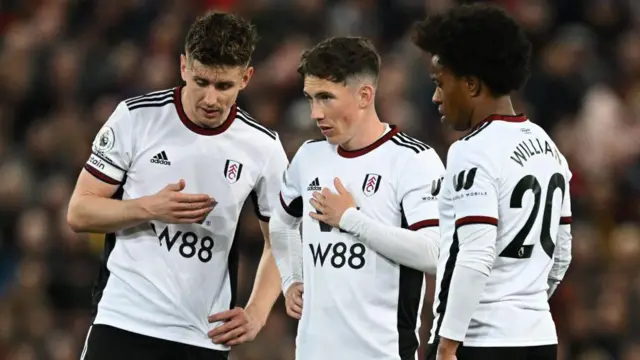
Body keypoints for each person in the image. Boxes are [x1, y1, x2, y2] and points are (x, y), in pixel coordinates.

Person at [67, 12, 288, 360]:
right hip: (123, 321)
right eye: (201, 81)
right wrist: (148, 207)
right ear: (183, 67)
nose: (211, 99)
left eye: (224, 86)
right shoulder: (136, 118)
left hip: (201, 335)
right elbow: (79, 211)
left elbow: (283, 239)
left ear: (246, 78)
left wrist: (257, 312)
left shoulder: (263, 147)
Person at [411, 4, 573, 360]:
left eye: (440, 83)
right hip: (539, 338)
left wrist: (448, 343)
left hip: (481, 340)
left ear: (471, 84)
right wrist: (523, 307)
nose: (436, 96)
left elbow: (476, 253)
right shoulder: (549, 147)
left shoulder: (472, 150)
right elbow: (561, 253)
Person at [269, 36, 445, 360]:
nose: (314, 113)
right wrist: (291, 278)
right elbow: (280, 224)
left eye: (326, 98)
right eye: (310, 98)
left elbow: (436, 254)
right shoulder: (309, 158)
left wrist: (351, 220)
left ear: (365, 95)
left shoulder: (413, 160)